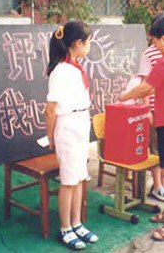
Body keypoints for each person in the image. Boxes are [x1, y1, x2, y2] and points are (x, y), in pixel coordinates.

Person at [119, 12, 164, 241]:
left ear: (163, 39)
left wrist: (125, 96)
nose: (153, 45)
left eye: (153, 41)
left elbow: (145, 88)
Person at [45, 21, 98, 250]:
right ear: (78, 43)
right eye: (88, 42)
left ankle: (77, 223)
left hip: (80, 123)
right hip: (66, 126)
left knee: (79, 177)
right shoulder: (60, 71)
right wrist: (50, 137)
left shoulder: (76, 67)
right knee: (68, 180)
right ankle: (65, 227)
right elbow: (50, 109)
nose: (89, 45)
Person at [136, 14, 164, 202]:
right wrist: (146, 111)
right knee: (156, 149)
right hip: (154, 110)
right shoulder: (149, 54)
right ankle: (157, 185)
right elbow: (143, 85)